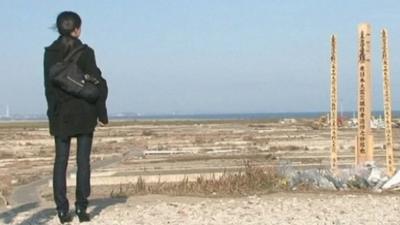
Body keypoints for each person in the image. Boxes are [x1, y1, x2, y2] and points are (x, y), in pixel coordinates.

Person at [43, 11, 108, 223]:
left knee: (60, 162)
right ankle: (81, 208)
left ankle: (62, 210)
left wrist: (52, 113)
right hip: (84, 112)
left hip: (61, 114)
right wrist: (101, 113)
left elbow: (49, 89)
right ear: (77, 29)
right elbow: (97, 83)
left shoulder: (50, 53)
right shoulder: (86, 52)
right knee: (83, 162)